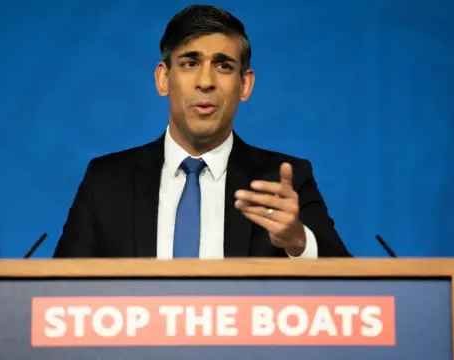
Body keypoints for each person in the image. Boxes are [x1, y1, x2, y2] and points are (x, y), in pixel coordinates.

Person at [53, 5, 351, 259]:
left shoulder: (284, 180)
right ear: (163, 79)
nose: (205, 81)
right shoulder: (106, 181)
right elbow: (58, 296)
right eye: (190, 63)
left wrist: (298, 241)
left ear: (244, 85)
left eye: (223, 66)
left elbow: (353, 293)